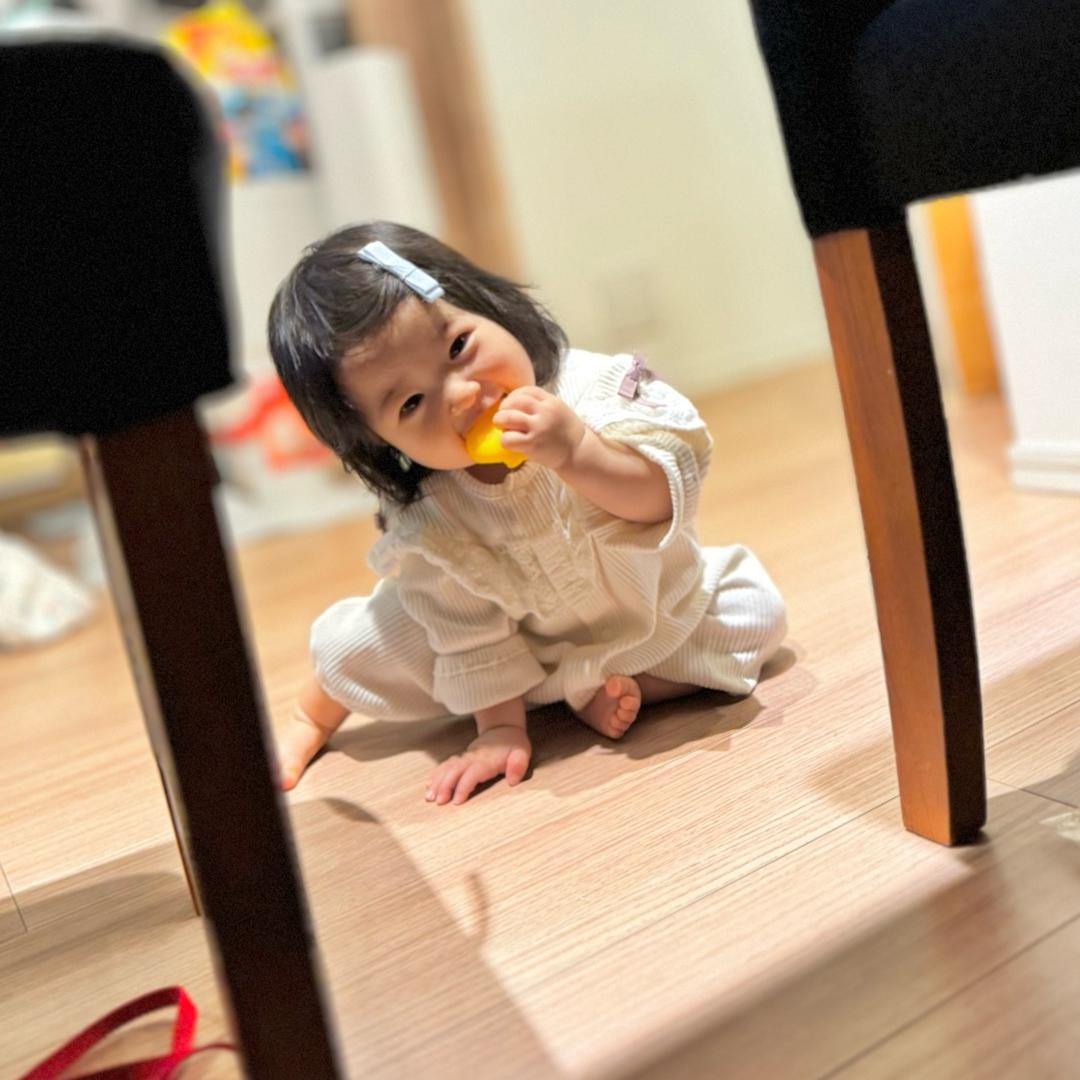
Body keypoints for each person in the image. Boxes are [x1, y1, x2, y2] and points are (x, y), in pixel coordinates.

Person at [268, 221, 786, 805]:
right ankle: (310, 713)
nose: (462, 395)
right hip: (520, 646)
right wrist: (498, 729)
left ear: (487, 306)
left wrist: (579, 452)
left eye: (458, 348)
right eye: (411, 402)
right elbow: (467, 626)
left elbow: (662, 499)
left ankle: (594, 685)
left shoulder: (591, 392)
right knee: (368, 643)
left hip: (644, 608)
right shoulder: (433, 512)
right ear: (380, 444)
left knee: (755, 612)